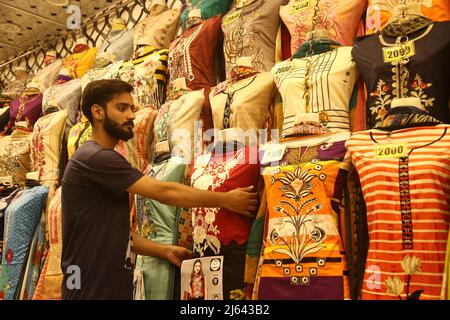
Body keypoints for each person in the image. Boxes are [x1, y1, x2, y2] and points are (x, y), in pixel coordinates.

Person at [61, 79, 258, 300]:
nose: (131, 116)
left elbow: (118, 236)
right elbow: (164, 192)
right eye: (121, 108)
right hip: (89, 289)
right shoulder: (97, 157)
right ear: (97, 112)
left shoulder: (96, 158)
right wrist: (225, 200)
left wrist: (164, 251)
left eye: (132, 108)